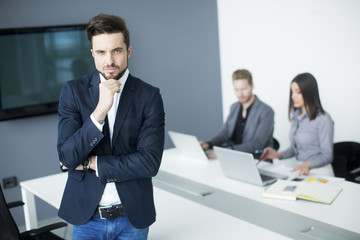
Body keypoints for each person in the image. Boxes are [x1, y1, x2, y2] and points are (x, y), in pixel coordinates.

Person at [57, 14, 165, 239]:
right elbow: (67, 157)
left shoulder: (149, 96)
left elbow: (149, 163)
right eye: (101, 52)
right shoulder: (73, 92)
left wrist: (91, 162)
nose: (109, 60)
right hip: (87, 219)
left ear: (128, 51)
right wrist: (99, 112)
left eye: (116, 50)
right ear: (92, 54)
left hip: (132, 218)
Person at [260, 72, 334, 176]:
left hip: (320, 171)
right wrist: (277, 155)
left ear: (309, 93)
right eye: (292, 92)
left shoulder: (323, 119)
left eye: (298, 92)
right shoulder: (296, 116)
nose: (293, 96)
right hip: (302, 170)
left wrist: (307, 164)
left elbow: (327, 155)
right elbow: (294, 149)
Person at [200, 69, 274, 159]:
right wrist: (209, 144)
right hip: (233, 158)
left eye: (244, 89)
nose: (240, 94)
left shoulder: (266, 111)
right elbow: (225, 133)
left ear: (252, 86)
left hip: (255, 160)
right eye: (236, 89)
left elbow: (257, 144)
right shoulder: (234, 107)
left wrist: (227, 151)